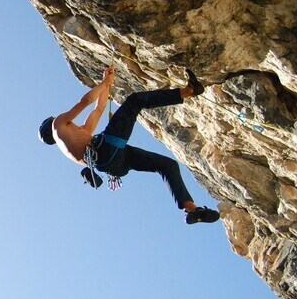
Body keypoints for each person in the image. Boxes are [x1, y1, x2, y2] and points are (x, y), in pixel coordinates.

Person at [38, 64, 220, 224]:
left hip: (115, 164)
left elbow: (99, 108)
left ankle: (192, 210)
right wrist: (102, 85)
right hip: (106, 150)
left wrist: (107, 84)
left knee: (167, 165)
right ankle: (188, 91)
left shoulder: (75, 141)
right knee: (134, 101)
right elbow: (85, 102)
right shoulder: (58, 124)